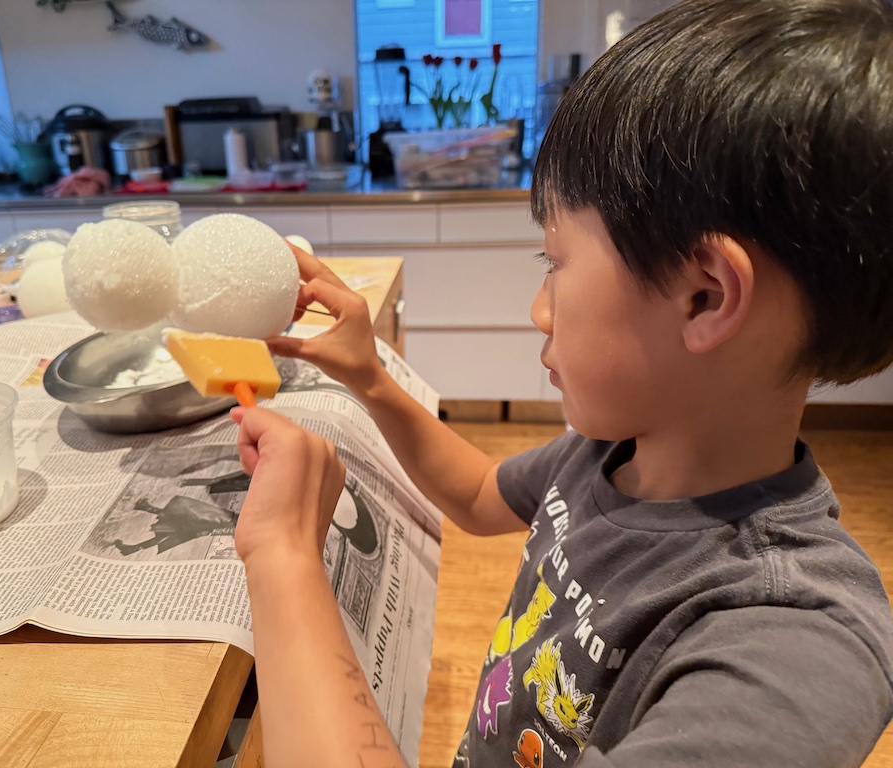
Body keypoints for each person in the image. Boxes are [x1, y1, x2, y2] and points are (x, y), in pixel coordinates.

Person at [228, 0, 893, 765]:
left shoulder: (792, 648)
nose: (539, 309)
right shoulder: (606, 453)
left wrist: (283, 554)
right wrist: (370, 376)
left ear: (704, 296)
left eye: (556, 262)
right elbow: (482, 495)